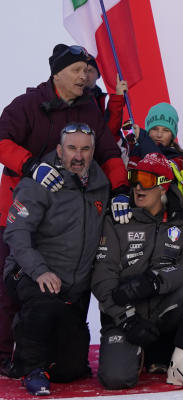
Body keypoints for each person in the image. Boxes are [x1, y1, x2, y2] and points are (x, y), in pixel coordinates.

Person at [0, 44, 127, 366]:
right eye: (76, 70)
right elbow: (2, 140)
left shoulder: (89, 111)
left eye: (87, 70)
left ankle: (63, 357)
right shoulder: (28, 104)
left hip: (69, 214)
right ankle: (4, 353)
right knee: (11, 288)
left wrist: (122, 189)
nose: (84, 76)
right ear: (56, 72)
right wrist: (29, 165)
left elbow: (109, 154)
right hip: (19, 206)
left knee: (72, 287)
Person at [92, 153, 183, 390]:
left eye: (147, 180)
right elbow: (103, 277)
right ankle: (139, 350)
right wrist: (127, 320)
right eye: (134, 178)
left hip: (163, 309)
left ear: (163, 188)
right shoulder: (117, 220)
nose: (138, 187)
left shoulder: (181, 221)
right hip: (123, 315)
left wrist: (155, 282)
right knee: (116, 379)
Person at [3, 123, 109, 395]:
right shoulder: (40, 182)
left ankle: (48, 358)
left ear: (93, 151)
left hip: (73, 287)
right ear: (60, 150)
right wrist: (39, 271)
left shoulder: (100, 183)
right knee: (42, 305)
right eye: (72, 148)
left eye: (85, 149)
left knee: (70, 370)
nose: (78, 156)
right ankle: (31, 367)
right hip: (32, 274)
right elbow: (16, 231)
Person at [127, 102, 183, 172]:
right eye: (155, 129)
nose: (159, 135)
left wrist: (143, 137)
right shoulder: (133, 150)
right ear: (148, 131)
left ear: (172, 135)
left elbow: (162, 170)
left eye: (166, 130)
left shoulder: (180, 158)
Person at [84, 54, 125, 141]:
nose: (86, 74)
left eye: (90, 70)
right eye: (83, 70)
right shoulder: (71, 97)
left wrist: (118, 97)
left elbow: (111, 130)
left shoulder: (102, 100)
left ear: (98, 75)